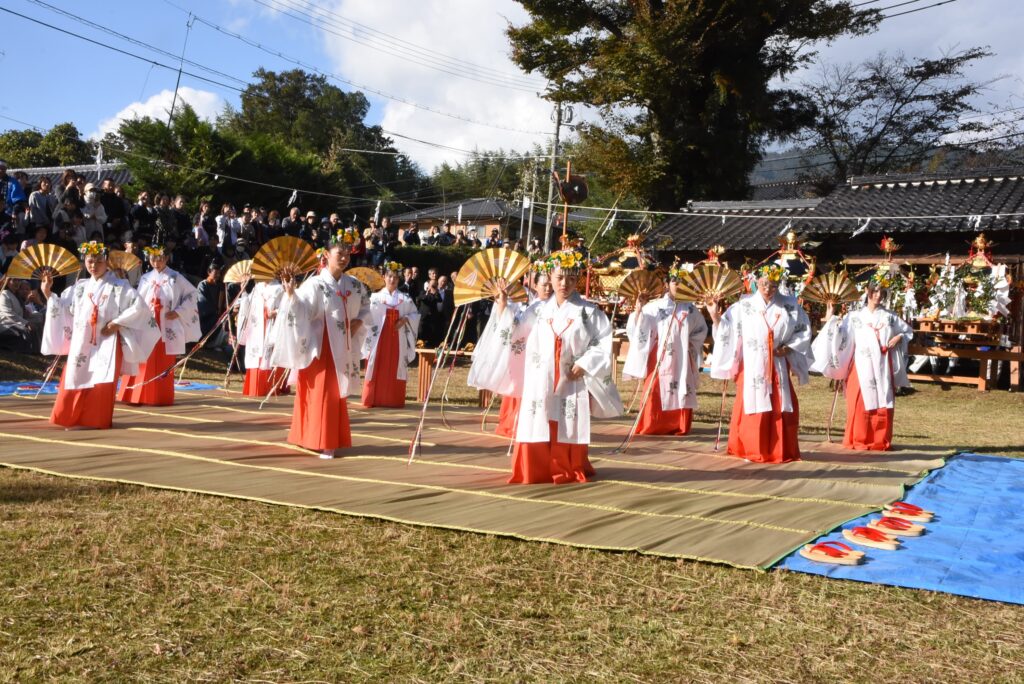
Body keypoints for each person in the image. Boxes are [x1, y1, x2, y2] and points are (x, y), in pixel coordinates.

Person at [468, 249, 622, 484]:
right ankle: (536, 468)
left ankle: (567, 466)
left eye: (571, 279)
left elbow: (602, 341)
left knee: (565, 421)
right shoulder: (538, 310)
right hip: (541, 376)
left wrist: (584, 363)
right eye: (559, 278)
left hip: (570, 376)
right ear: (550, 276)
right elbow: (516, 331)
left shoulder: (588, 312)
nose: (564, 284)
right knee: (539, 418)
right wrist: (503, 305)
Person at [270, 228, 370, 459]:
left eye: (347, 254)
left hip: (342, 345)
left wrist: (359, 321)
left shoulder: (354, 284)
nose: (344, 258)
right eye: (339, 253)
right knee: (318, 392)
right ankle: (309, 437)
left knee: (334, 393)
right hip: (320, 346)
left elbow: (366, 307)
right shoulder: (315, 284)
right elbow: (302, 309)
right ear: (326, 254)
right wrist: (291, 295)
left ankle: (329, 441)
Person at [40, 241, 159, 429]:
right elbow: (63, 308)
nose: (93, 266)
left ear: (106, 262)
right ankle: (68, 417)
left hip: (107, 340)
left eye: (98, 261)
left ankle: (95, 419)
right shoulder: (80, 286)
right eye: (90, 261)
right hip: (82, 340)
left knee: (102, 381)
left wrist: (117, 322)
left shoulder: (119, 286)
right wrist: (47, 292)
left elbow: (140, 308)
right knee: (74, 375)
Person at [707, 263, 813, 463]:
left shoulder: (790, 305)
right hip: (752, 362)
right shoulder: (743, 306)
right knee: (751, 404)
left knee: (780, 406)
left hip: (778, 362)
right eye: (764, 284)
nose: (768, 289)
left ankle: (778, 450)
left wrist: (788, 348)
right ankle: (751, 448)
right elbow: (727, 330)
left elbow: (803, 331)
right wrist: (715, 316)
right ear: (757, 282)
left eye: (773, 285)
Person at [810, 273, 915, 451]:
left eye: (881, 292)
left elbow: (908, 331)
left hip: (882, 364)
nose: (878, 295)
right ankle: (858, 438)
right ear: (867, 291)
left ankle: (879, 440)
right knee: (859, 403)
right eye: (874, 291)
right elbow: (841, 335)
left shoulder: (890, 316)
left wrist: (899, 337)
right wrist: (831, 317)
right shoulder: (854, 316)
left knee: (882, 401)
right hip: (861, 364)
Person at [623, 267, 708, 435]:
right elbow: (638, 328)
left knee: (681, 385)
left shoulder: (690, 309)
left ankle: (678, 425)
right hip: (659, 357)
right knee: (655, 388)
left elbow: (701, 330)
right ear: (667, 284)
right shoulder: (655, 307)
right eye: (675, 282)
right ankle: (652, 424)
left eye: (682, 283)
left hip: (682, 357)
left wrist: (689, 345)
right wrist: (639, 310)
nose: (679, 286)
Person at [118, 238, 201, 406]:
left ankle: (159, 397)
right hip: (146, 322)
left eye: (160, 258)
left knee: (161, 360)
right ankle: (134, 395)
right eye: (153, 258)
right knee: (142, 357)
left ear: (167, 258)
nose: (156, 261)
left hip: (166, 322)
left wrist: (179, 312)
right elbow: (137, 299)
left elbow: (192, 294)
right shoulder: (145, 278)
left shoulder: (175, 277)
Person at [473, 267, 554, 438]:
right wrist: (502, 303)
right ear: (535, 286)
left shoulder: (553, 305)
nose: (548, 289)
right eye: (544, 285)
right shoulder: (535, 307)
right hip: (531, 355)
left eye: (550, 285)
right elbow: (517, 326)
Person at [361, 260, 420, 408]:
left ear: (399, 279)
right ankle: (372, 398)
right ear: (384, 277)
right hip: (379, 337)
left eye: (395, 277)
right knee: (376, 363)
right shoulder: (375, 298)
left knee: (395, 365)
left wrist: (405, 319)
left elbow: (415, 314)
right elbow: (366, 314)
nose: (392, 280)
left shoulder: (405, 300)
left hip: (397, 337)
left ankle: (394, 399)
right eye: (389, 276)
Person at [236, 273, 291, 397]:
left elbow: (287, 306)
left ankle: (271, 388)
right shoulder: (257, 288)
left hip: (271, 327)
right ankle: (255, 388)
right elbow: (249, 306)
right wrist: (243, 292)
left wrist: (275, 312)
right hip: (256, 328)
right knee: (256, 357)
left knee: (269, 357)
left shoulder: (279, 288)